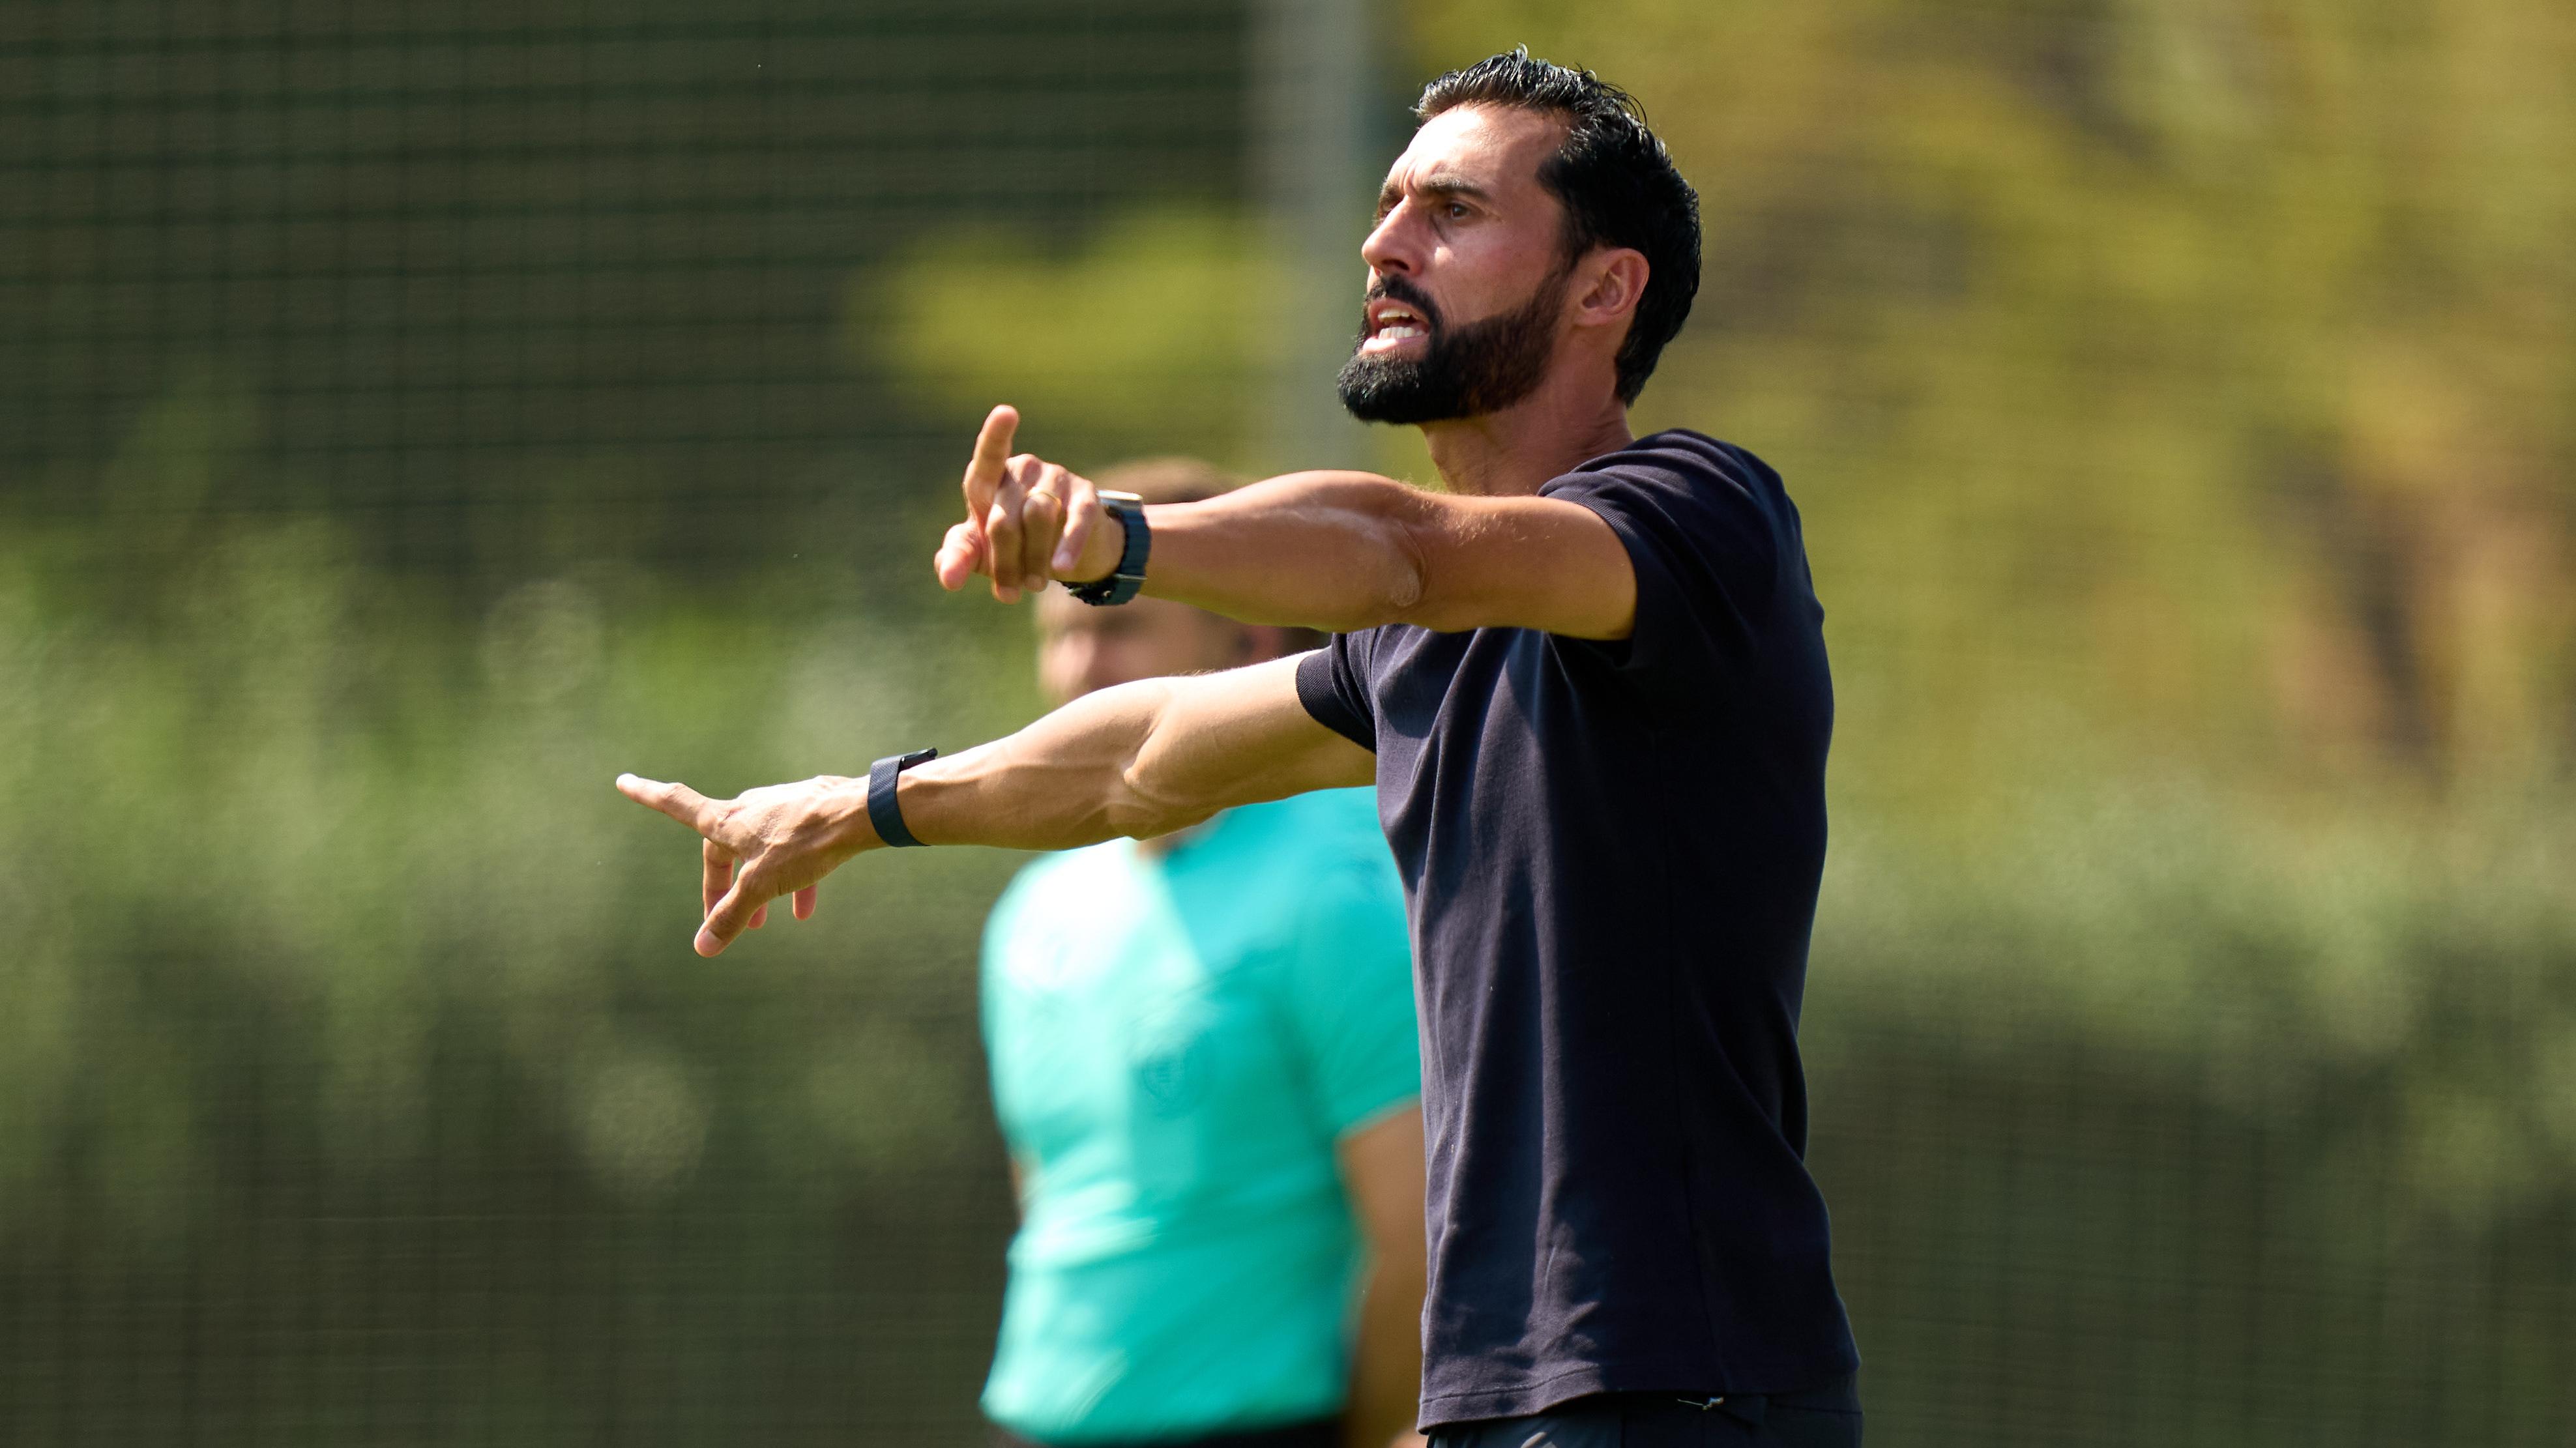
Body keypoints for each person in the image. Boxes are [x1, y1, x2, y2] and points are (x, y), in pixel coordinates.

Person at [619, 50, 1864, 1447]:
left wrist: (1112, 538)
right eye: (1388, 205)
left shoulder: (1699, 515)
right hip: (1505, 1392)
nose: (1384, 244)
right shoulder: (1420, 651)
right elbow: (1139, 755)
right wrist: (865, 805)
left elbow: (1404, 550)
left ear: (1602, 288)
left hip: (1676, 1380)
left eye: (1452, 210)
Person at [978, 457, 1429, 1448]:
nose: (1079, 669)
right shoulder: (1033, 913)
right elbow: (1057, 1208)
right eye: (1059, 635)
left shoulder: (1341, 887)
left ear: (1246, 642)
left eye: (1118, 625)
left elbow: (1416, 1242)